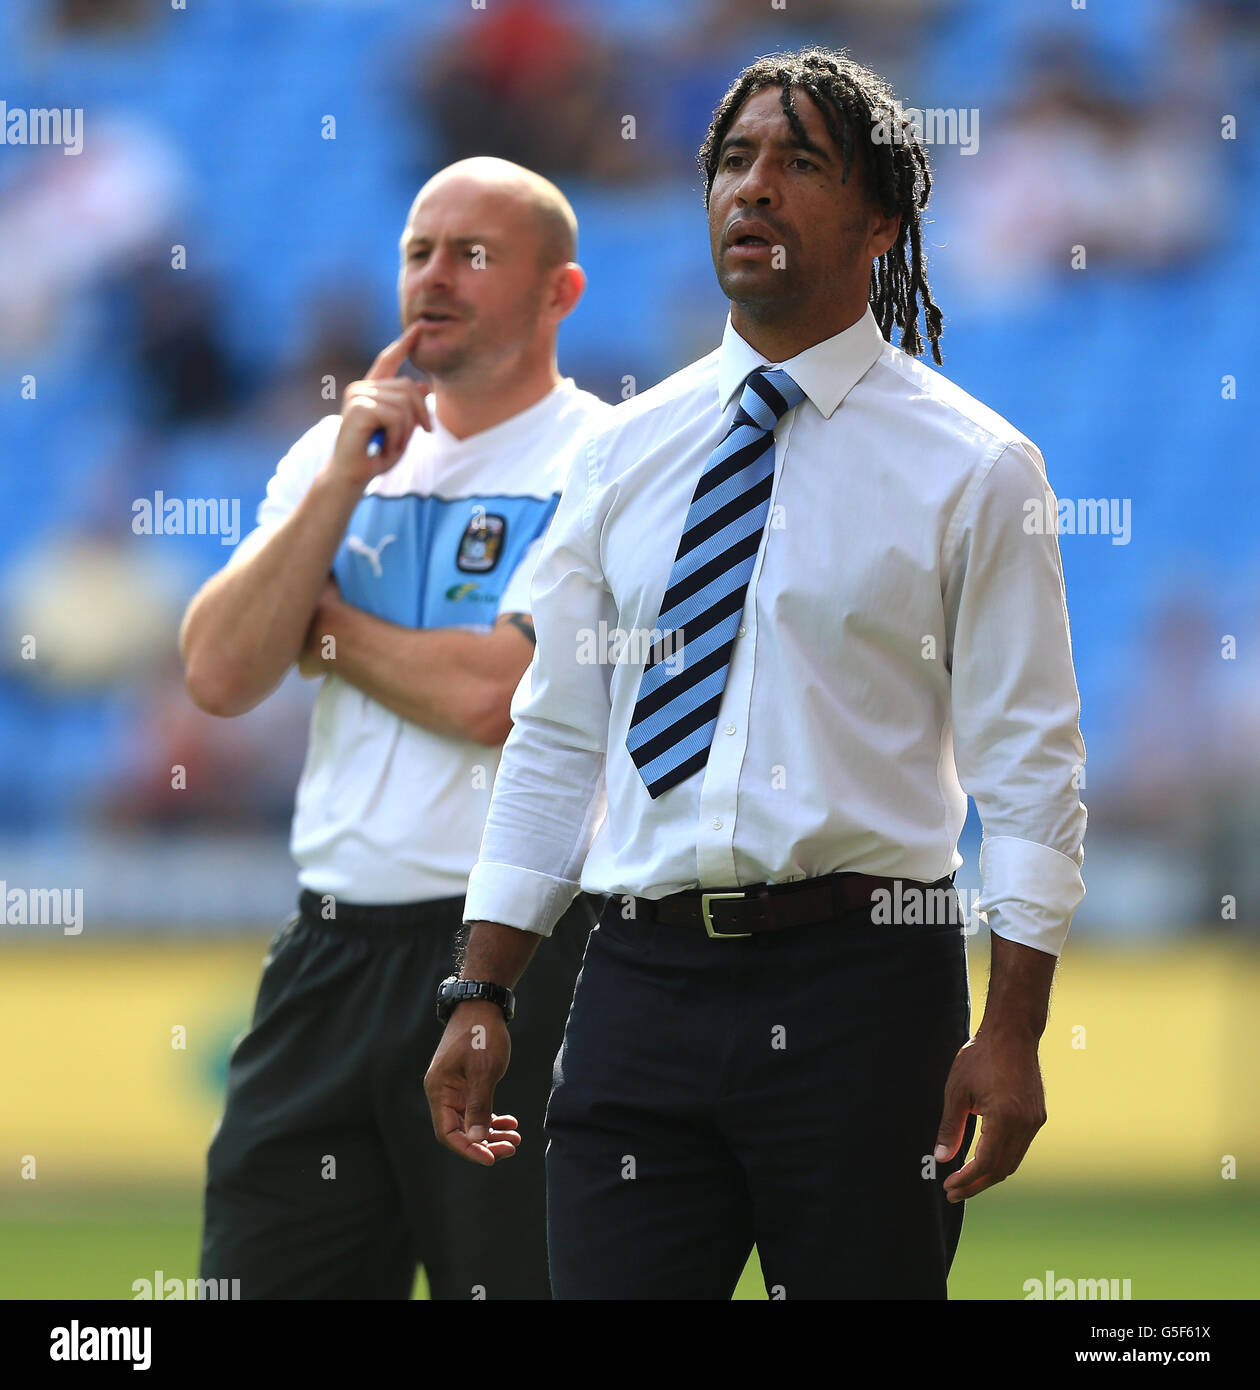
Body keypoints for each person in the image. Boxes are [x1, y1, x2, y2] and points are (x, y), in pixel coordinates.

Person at [424, 49, 1087, 1300]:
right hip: (638, 993)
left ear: (882, 217)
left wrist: (1011, 1030)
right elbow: (558, 737)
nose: (755, 190)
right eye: (734, 160)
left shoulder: (978, 468)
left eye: (800, 163)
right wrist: (482, 983)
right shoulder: (622, 454)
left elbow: (1031, 767)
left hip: (866, 996)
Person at [180, 157, 610, 1299]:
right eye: (419, 250)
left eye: (474, 253)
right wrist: (335, 486)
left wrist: (318, 632)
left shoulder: (606, 462)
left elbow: (498, 700)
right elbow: (221, 670)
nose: (435, 275)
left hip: (516, 957)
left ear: (557, 292)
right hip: (327, 953)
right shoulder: (337, 458)